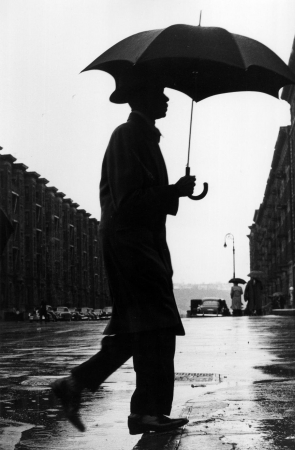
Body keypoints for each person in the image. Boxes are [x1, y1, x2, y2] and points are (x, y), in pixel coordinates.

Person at [51, 72, 196, 435]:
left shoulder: (141, 137)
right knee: (156, 326)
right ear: (142, 97)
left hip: (139, 246)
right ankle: (146, 411)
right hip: (131, 247)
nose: (166, 99)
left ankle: (78, 387)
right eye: (160, 93)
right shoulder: (127, 135)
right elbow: (128, 202)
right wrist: (172, 190)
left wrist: (175, 191)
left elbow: (143, 198)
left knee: (141, 329)